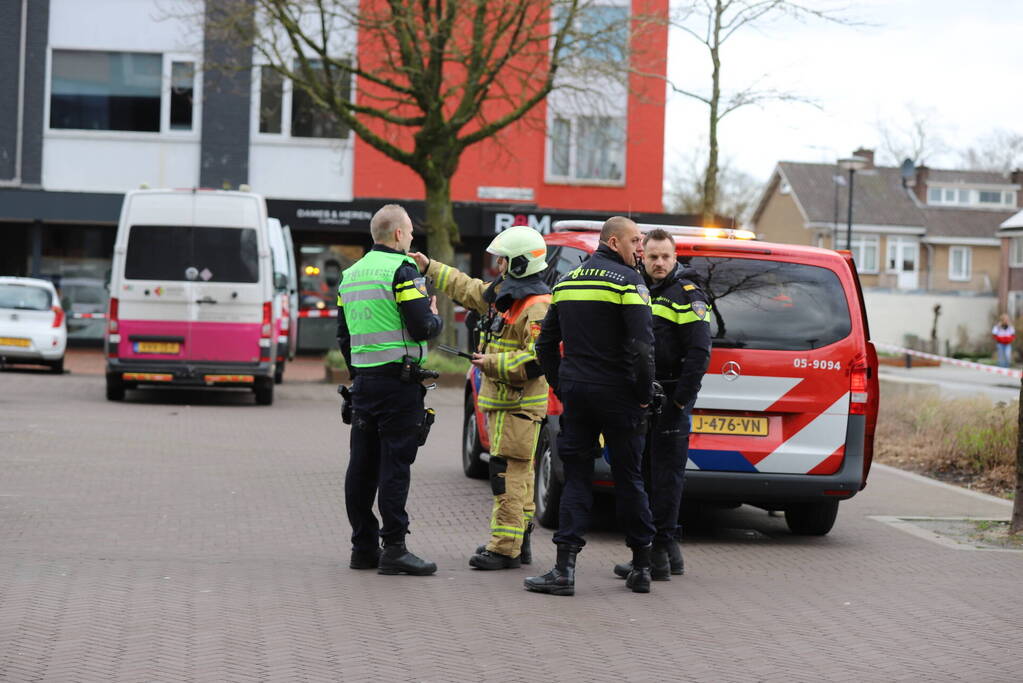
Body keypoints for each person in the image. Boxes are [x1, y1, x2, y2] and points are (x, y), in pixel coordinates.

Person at [525, 216, 657, 596]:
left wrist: (561, 385)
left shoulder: (566, 282)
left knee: (576, 479)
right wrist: (644, 392)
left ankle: (564, 570)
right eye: (635, 241)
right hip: (621, 396)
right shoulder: (631, 283)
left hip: (579, 394)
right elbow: (642, 347)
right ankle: (642, 567)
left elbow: (545, 345)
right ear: (614, 242)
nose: (641, 248)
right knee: (630, 478)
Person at [409, 226, 552, 570]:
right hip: (506, 403)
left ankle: (504, 549)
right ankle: (519, 540)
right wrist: (430, 266)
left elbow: (536, 360)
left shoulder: (537, 307)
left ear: (519, 263)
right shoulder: (508, 294)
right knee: (519, 473)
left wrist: (491, 362)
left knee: (507, 474)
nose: (498, 265)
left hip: (518, 405)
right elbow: (469, 289)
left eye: (503, 260)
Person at [336, 204, 443, 576]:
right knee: (395, 466)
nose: (412, 237)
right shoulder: (403, 270)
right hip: (399, 384)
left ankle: (362, 548)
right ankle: (395, 548)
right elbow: (421, 327)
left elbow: (344, 335)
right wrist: (434, 313)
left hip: (364, 384)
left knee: (361, 466)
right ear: (398, 234)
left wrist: (359, 372)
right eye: (410, 231)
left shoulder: (350, 275)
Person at [612, 229, 711, 581]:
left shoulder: (688, 295)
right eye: (652, 256)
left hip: (670, 398)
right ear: (643, 257)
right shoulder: (640, 288)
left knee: (666, 477)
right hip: (644, 397)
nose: (658, 263)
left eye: (665, 257)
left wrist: (680, 401)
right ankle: (665, 553)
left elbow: (699, 354)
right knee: (647, 475)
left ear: (675, 258)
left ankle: (658, 555)